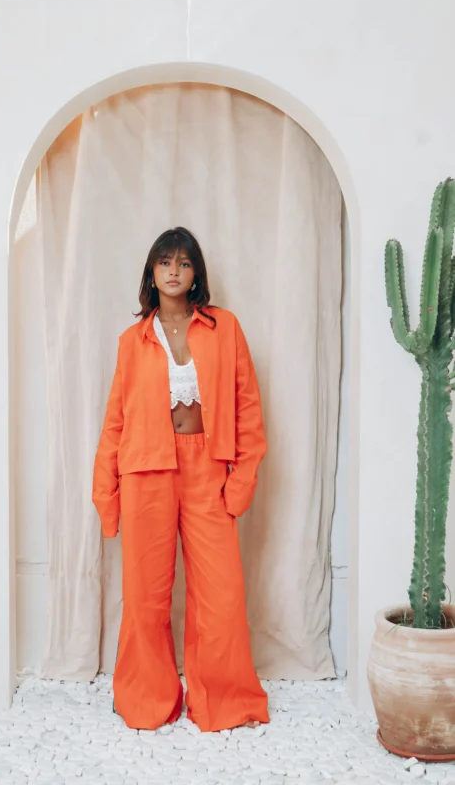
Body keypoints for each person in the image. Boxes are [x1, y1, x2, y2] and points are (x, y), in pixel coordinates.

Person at [92, 227, 269, 732]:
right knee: (145, 597)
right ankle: (147, 699)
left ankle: (224, 700)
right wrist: (106, 496)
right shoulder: (132, 342)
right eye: (165, 262)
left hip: (206, 470)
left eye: (184, 263)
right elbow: (115, 421)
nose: (174, 270)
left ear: (196, 274)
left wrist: (241, 480)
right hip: (145, 471)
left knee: (221, 594)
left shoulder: (224, 327)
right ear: (152, 272)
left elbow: (248, 407)